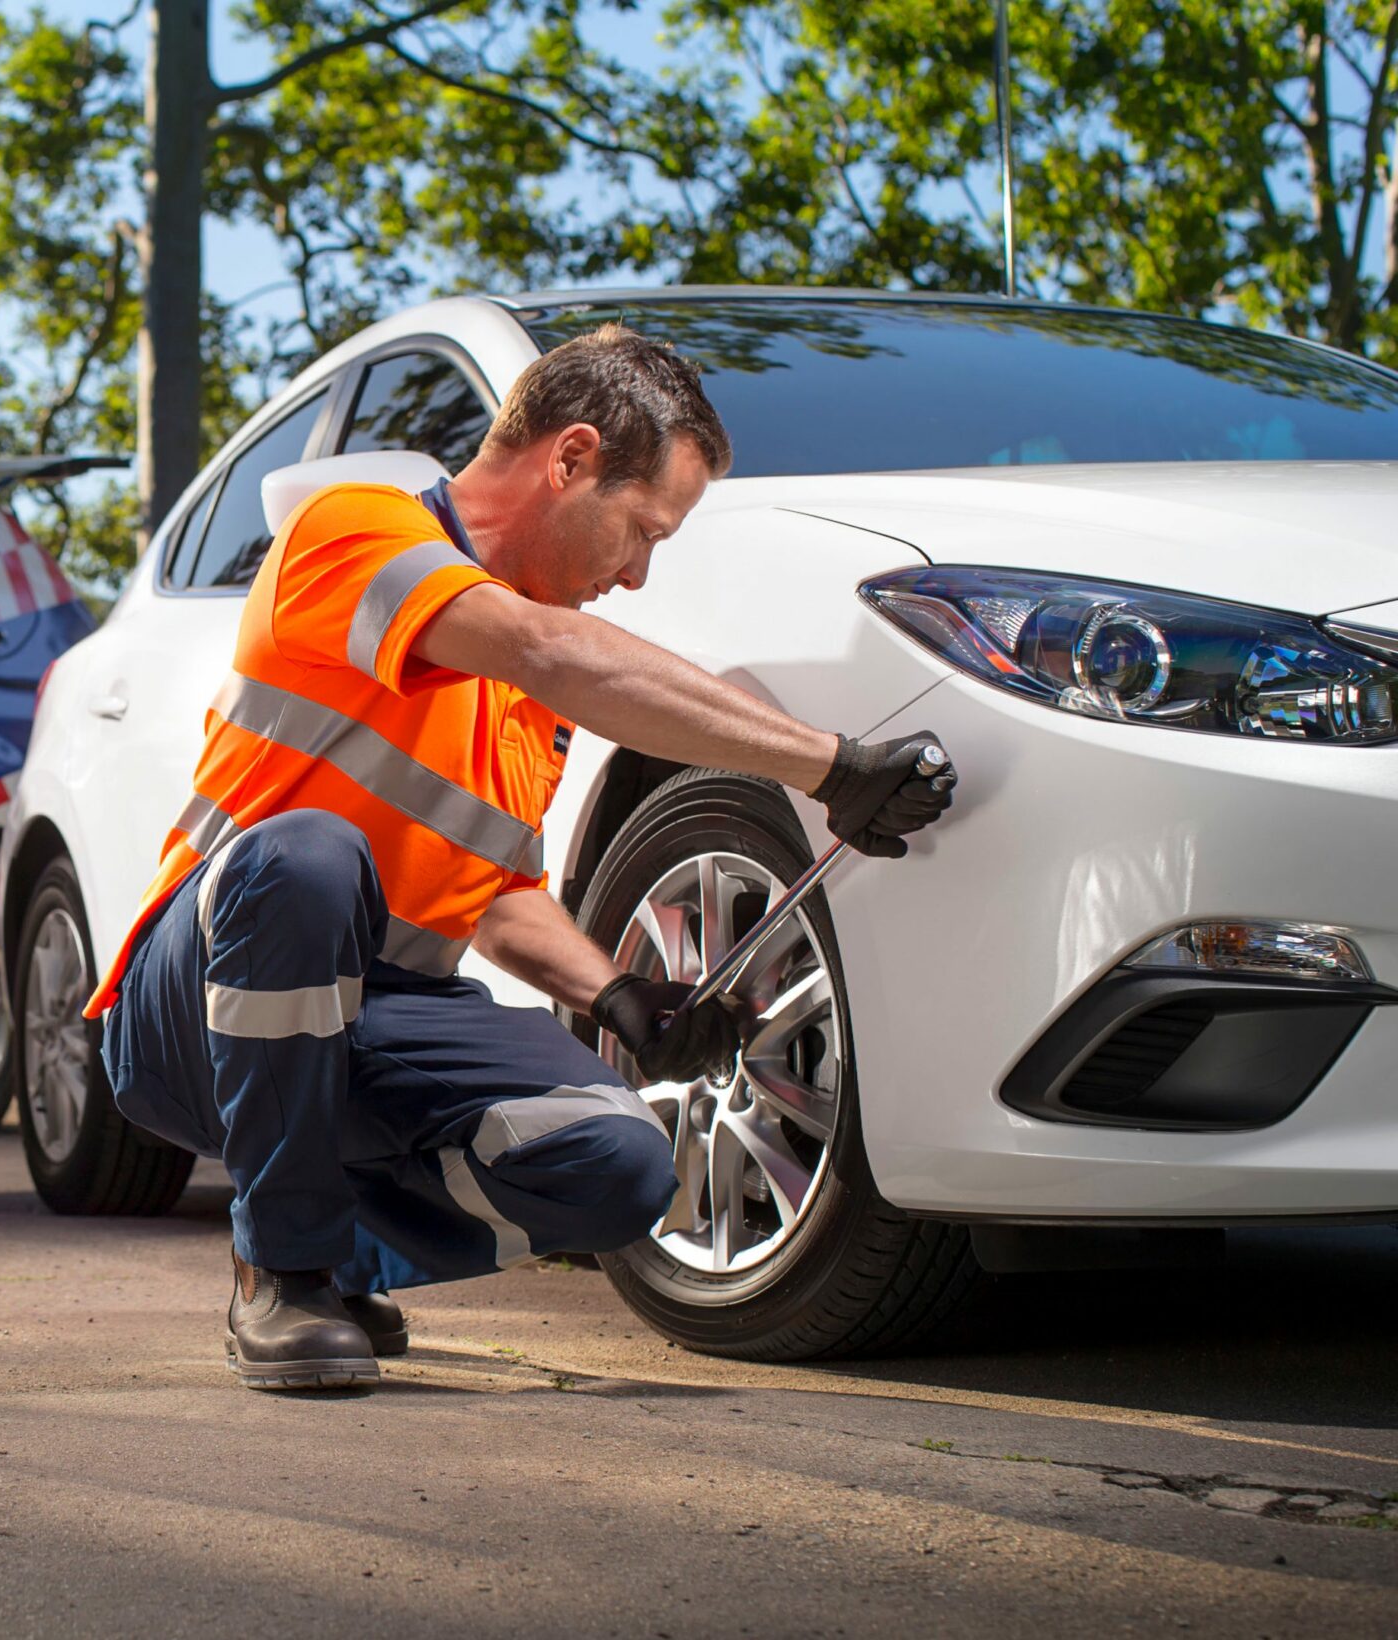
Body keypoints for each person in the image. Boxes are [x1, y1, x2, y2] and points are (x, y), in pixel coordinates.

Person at [83, 324, 957, 1392]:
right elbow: (548, 650)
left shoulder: (528, 702)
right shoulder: (355, 529)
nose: (634, 574)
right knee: (308, 856)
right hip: (194, 1006)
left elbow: (494, 894)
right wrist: (828, 765)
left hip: (378, 1018)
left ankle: (334, 1253)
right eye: (641, 531)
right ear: (571, 458)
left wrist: (621, 995)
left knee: (621, 1162)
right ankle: (284, 1269)